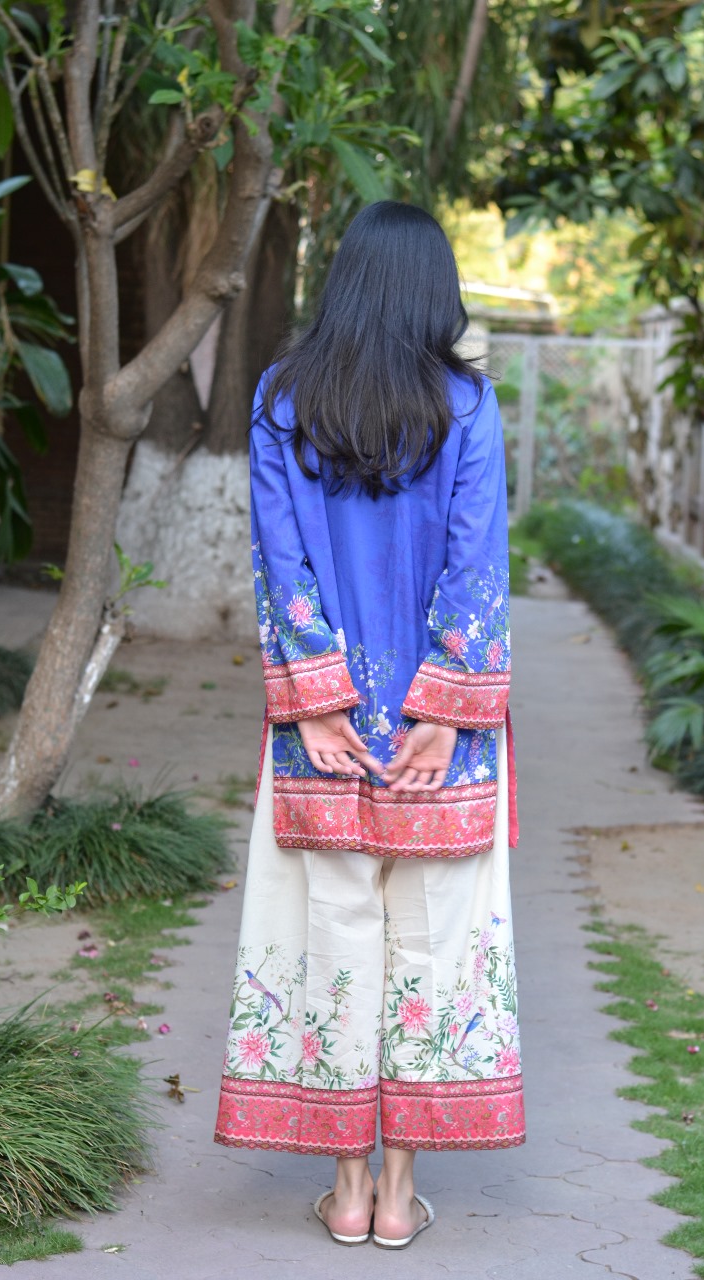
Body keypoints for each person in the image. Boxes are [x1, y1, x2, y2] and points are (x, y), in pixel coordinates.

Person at [214, 200, 524, 1250]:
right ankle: (397, 1197)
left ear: (343, 280)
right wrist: (442, 713)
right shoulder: (468, 404)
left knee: (332, 937)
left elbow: (281, 565)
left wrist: (320, 703)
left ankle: (342, 1193)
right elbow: (476, 561)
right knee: (432, 944)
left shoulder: (280, 398)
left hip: (321, 734)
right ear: (436, 291)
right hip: (446, 738)